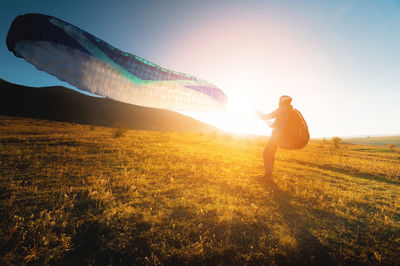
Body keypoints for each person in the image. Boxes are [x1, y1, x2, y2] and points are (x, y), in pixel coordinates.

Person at [256, 95, 293, 181]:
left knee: (267, 153)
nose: (278, 102)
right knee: (269, 153)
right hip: (281, 136)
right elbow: (277, 123)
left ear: (282, 101)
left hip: (277, 136)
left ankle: (267, 176)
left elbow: (268, 116)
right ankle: (268, 175)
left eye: (279, 100)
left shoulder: (282, 109)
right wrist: (270, 124)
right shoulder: (288, 110)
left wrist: (259, 114)